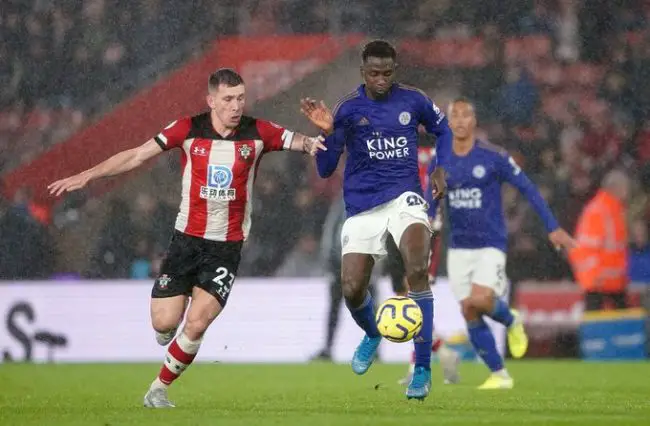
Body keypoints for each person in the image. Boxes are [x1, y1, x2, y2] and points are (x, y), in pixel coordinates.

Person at [47, 68, 325, 408]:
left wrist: (320, 136)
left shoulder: (259, 132)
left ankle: (159, 388)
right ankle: (167, 331)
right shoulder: (187, 129)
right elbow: (136, 155)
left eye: (240, 98)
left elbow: (305, 143)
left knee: (198, 321)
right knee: (164, 323)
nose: (236, 106)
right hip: (187, 241)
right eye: (227, 99)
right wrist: (88, 175)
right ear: (211, 101)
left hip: (227, 247)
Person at [300, 40, 452, 400]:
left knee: (417, 267)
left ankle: (422, 369)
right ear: (362, 73)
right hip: (363, 206)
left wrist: (440, 168)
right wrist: (327, 132)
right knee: (352, 287)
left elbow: (443, 131)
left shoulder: (413, 100)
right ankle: (372, 333)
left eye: (387, 73)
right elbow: (324, 170)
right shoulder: (348, 110)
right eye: (374, 74)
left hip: (405, 198)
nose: (381, 80)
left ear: (394, 70)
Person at [428, 97, 576, 390]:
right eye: (453, 116)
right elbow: (431, 198)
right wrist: (427, 224)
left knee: (480, 300)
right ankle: (499, 374)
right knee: (469, 310)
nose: (459, 121)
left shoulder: (493, 157)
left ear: (474, 122)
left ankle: (511, 320)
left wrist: (553, 227)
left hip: (490, 244)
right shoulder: (440, 159)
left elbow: (528, 189)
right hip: (458, 248)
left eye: (465, 115)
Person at [569, 170, 630, 311]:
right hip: (599, 285)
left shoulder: (614, 211)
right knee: (599, 326)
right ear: (616, 188)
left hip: (613, 284)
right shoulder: (599, 211)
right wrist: (593, 278)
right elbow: (586, 248)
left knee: (619, 325)